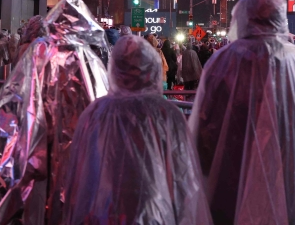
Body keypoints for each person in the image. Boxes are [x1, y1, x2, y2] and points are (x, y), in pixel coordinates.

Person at [189, 0, 295, 224]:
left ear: (243, 19)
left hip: (230, 183)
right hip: (290, 180)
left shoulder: (221, 63)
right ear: (280, 19)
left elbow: (203, 132)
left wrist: (212, 173)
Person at [0, 0, 109, 224]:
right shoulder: (87, 62)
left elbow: (11, 104)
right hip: (71, 156)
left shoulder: (39, 55)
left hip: (36, 152)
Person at [62, 35, 212, 224]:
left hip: (102, 212)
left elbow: (78, 175)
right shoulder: (167, 114)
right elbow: (183, 177)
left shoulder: (95, 113)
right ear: (152, 70)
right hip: (156, 210)